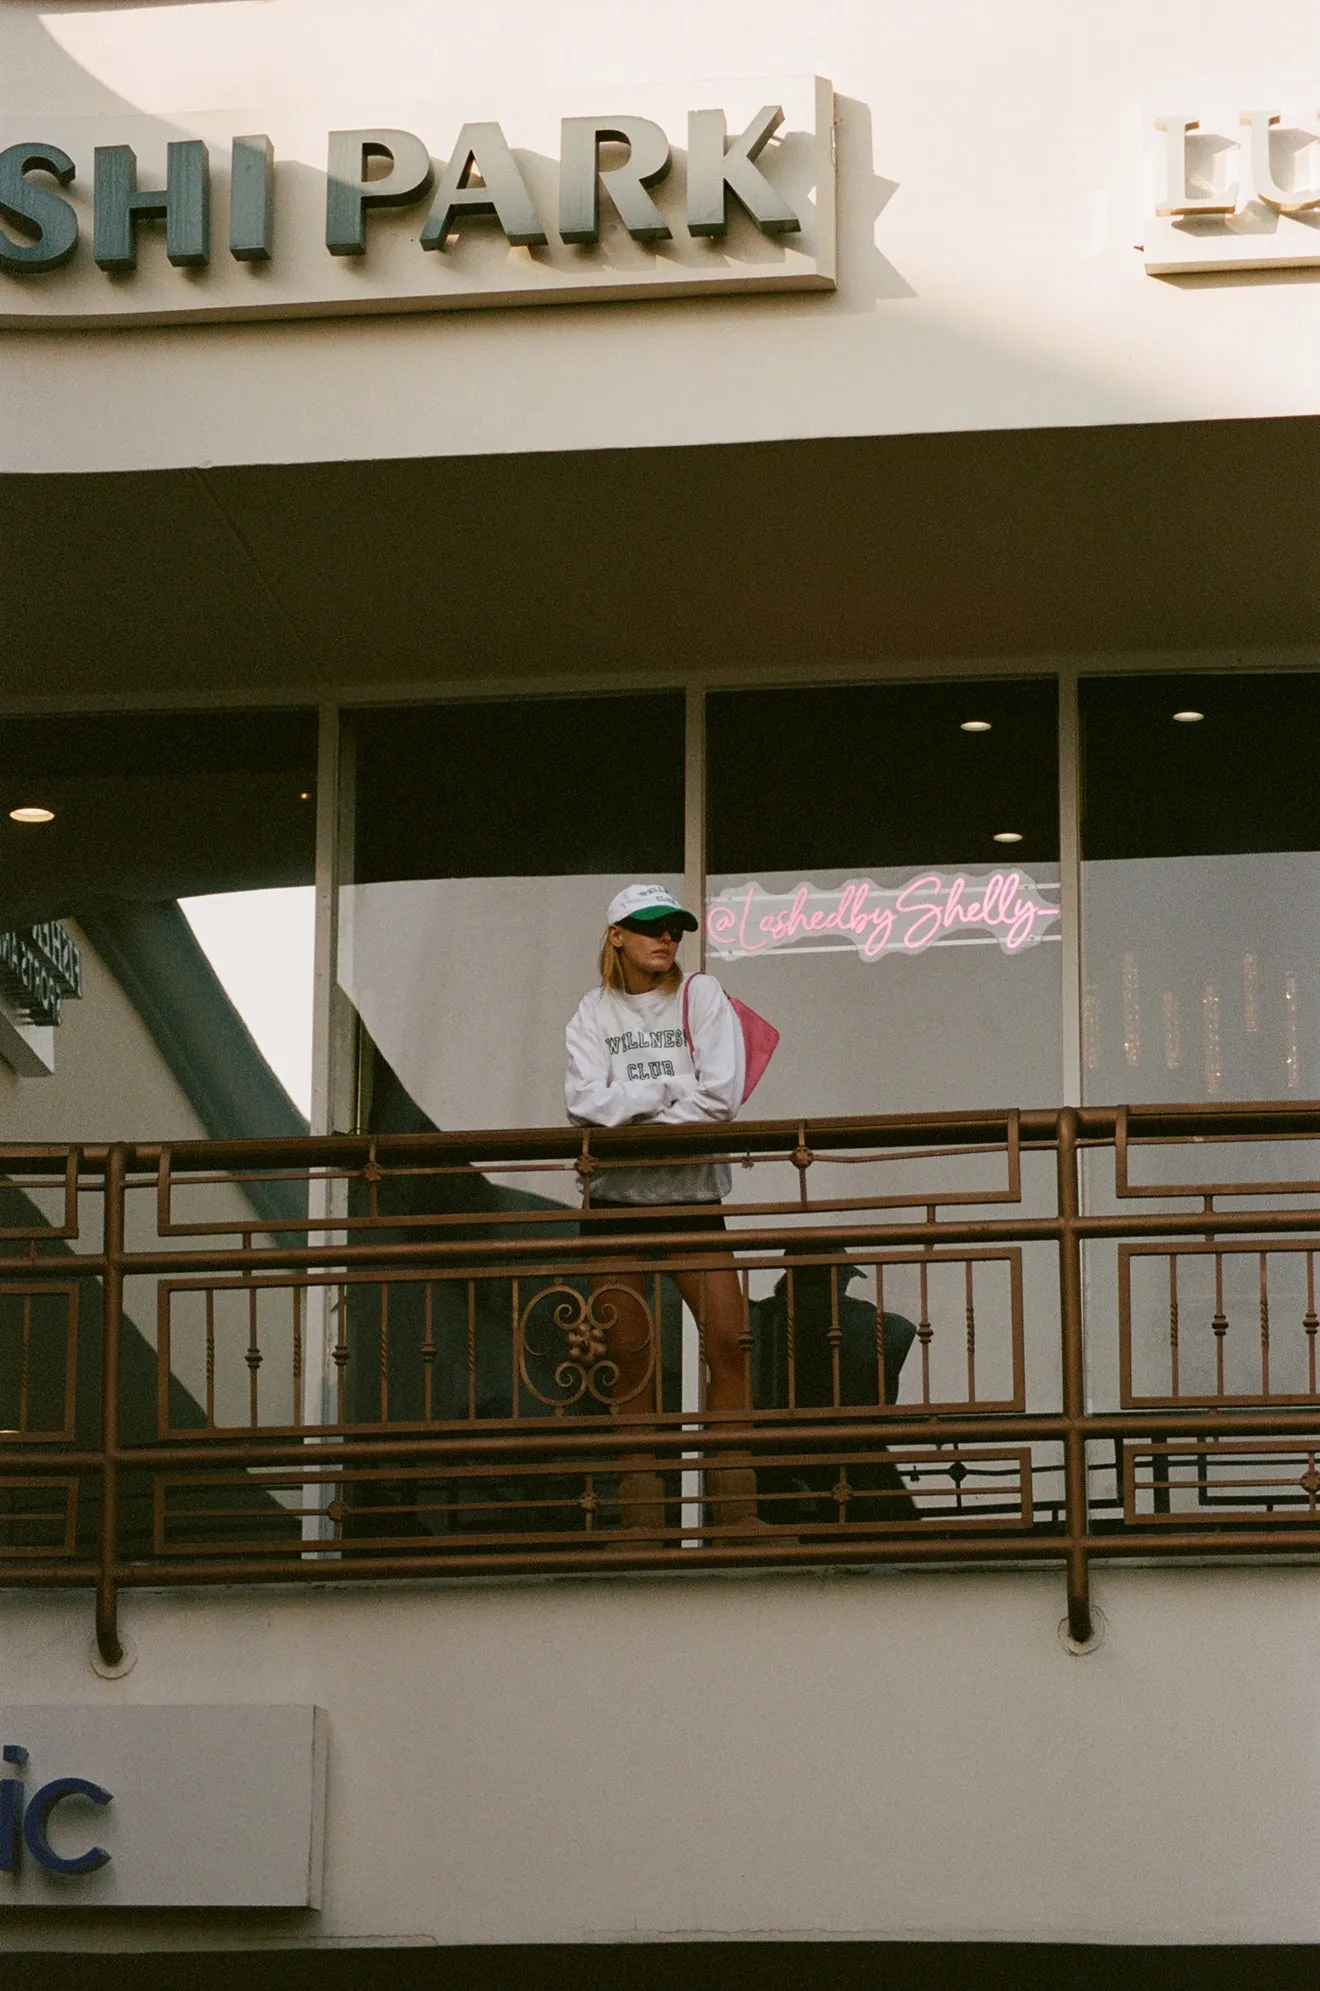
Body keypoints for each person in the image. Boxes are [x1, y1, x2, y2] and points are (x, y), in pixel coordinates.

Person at [564, 882, 767, 1533]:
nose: (665, 938)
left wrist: (633, 1104)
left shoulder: (699, 994)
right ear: (616, 935)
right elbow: (582, 1105)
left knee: (730, 1342)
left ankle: (735, 1512)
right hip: (613, 1206)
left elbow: (722, 1098)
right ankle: (644, 1516)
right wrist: (675, 1090)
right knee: (627, 1353)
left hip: (691, 1200)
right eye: (649, 926)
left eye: (673, 926)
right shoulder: (589, 1014)